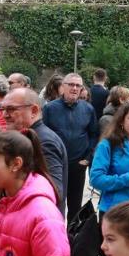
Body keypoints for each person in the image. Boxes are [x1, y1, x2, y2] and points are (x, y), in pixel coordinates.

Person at [2, 87, 66, 208]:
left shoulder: (44, 142)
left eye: (11, 109)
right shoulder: (30, 136)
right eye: (3, 109)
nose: (5, 115)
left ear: (34, 110)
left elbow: (55, 190)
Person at [42, 73, 97, 210]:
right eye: (71, 84)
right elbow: (42, 135)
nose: (74, 88)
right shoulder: (50, 108)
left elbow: (94, 134)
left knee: (75, 205)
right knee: (55, 202)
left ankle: (71, 232)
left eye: (78, 85)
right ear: (63, 87)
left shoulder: (88, 109)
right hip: (55, 165)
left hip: (78, 165)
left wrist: (88, 158)